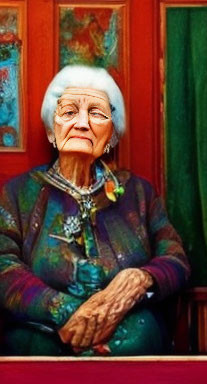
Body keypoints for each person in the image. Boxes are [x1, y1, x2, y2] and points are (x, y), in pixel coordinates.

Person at [0, 65, 190, 355]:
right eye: (69, 112)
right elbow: (4, 266)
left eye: (97, 113)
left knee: (143, 333)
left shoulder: (139, 193)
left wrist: (136, 282)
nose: (82, 123)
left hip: (128, 334)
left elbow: (175, 259)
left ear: (111, 136)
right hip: (43, 334)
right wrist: (68, 311)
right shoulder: (18, 194)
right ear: (52, 131)